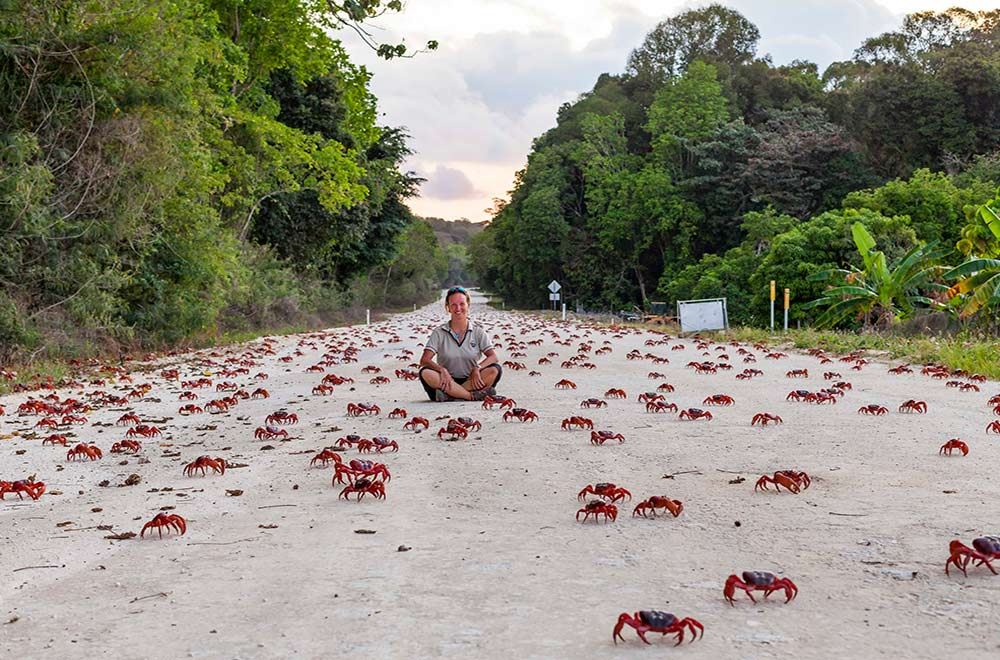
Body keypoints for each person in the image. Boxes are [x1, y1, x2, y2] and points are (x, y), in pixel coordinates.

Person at [418, 286, 503, 401]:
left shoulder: (478, 331)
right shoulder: (439, 332)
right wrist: (442, 370)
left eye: (462, 304)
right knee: (425, 372)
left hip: (470, 379)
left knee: (495, 369)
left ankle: (451, 395)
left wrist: (477, 368)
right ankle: (470, 396)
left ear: (468, 305)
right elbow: (424, 360)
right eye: (453, 305)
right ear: (447, 307)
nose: (458, 308)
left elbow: (493, 357)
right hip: (446, 379)